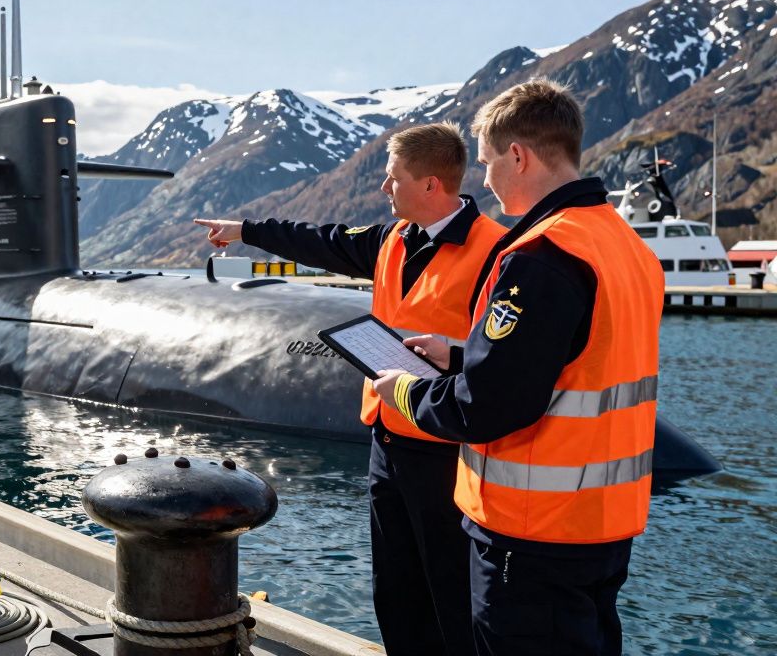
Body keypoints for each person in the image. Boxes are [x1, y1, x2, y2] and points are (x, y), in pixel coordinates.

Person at [373, 80, 663, 655]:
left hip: (534, 534)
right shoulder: (625, 246)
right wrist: (459, 355)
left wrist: (404, 392)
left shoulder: (542, 255)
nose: (483, 180)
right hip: (601, 523)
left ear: (519, 156)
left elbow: (486, 405)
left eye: (486, 163)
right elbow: (575, 360)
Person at [195, 122, 505, 656]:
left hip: (448, 447)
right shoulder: (392, 239)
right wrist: (244, 229)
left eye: (393, 178)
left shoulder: (496, 251)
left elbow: (497, 357)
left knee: (452, 590)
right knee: (397, 587)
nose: (384, 189)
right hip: (388, 436)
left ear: (432, 185)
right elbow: (320, 242)